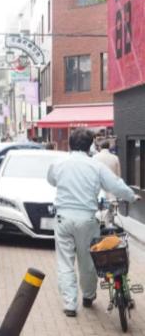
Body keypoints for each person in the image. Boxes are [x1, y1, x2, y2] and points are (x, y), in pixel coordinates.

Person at [47, 128, 139, 317]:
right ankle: (88, 296)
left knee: (65, 262)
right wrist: (131, 196)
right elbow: (115, 185)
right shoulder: (95, 166)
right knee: (87, 261)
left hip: (63, 217)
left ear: (71, 144)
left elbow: (51, 180)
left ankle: (70, 305)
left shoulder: (58, 163)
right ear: (90, 145)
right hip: (87, 219)